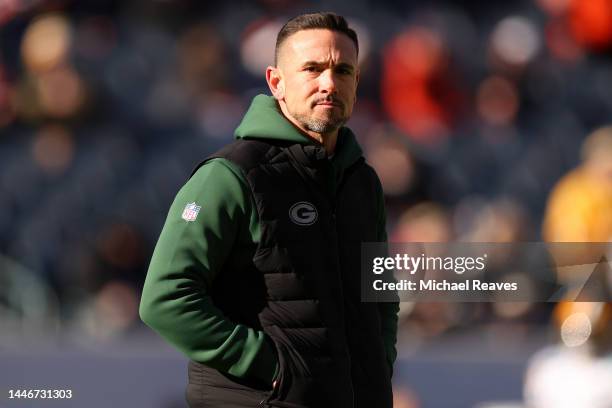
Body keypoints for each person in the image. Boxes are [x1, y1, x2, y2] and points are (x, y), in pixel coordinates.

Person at [139, 12, 399, 408]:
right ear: (276, 82)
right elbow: (165, 299)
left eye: (343, 70)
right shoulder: (230, 175)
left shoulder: (362, 181)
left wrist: (379, 366)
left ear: (357, 82)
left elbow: (380, 295)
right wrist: (272, 366)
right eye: (312, 69)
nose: (329, 83)